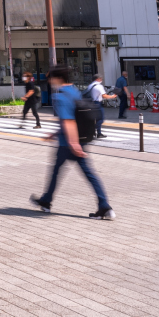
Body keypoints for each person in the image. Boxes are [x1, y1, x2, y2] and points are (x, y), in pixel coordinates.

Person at [31, 65, 114, 219]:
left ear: (57, 78)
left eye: (50, 78)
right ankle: (104, 206)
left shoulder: (60, 95)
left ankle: (104, 206)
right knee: (85, 174)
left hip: (68, 144)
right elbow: (74, 117)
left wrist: (73, 144)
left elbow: (68, 121)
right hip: (80, 139)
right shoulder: (75, 91)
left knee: (58, 173)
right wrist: (56, 134)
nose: (49, 81)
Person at [84, 74, 113, 139]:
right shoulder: (99, 86)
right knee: (100, 118)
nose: (101, 80)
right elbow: (104, 95)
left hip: (90, 103)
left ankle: (95, 132)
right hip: (97, 103)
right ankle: (95, 131)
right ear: (97, 79)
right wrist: (112, 96)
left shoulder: (90, 85)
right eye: (101, 79)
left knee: (93, 119)